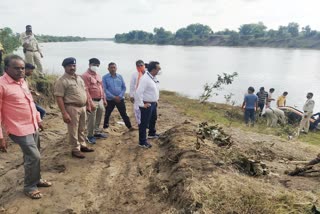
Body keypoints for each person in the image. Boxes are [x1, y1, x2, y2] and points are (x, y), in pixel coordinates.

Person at [0, 55, 52, 199]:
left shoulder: (23, 82)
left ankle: (37, 179)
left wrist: (38, 120)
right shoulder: (2, 85)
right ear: (6, 69)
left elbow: (30, 102)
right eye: (16, 68)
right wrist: (1, 136)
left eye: (22, 68)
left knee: (34, 155)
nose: (20, 71)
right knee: (34, 156)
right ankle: (29, 186)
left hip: (32, 125)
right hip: (17, 128)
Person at [54, 57, 94, 158]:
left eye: (74, 65)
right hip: (72, 108)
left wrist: (88, 104)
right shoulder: (61, 81)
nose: (72, 67)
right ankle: (75, 149)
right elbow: (59, 97)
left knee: (82, 128)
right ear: (64, 67)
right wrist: (64, 113)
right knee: (73, 129)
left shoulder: (79, 78)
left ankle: (82, 145)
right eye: (70, 66)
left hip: (82, 107)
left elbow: (85, 91)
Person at [135, 61, 161, 148]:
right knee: (144, 123)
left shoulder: (153, 77)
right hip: (147, 104)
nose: (160, 70)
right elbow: (138, 92)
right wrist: (142, 104)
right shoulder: (145, 79)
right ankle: (142, 142)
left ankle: (152, 133)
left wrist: (156, 100)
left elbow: (154, 89)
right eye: (158, 68)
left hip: (153, 103)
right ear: (153, 69)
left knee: (153, 119)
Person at [81, 58, 107, 144]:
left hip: (100, 100)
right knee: (91, 119)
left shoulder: (98, 75)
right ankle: (89, 135)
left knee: (99, 116)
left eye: (97, 65)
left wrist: (104, 99)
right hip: (91, 100)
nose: (96, 67)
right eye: (94, 65)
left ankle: (96, 132)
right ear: (89, 65)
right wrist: (90, 103)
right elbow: (86, 90)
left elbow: (101, 88)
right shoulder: (85, 76)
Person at [102, 62, 133, 130]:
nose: (113, 69)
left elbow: (124, 87)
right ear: (108, 69)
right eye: (111, 67)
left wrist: (120, 96)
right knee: (107, 114)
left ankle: (129, 127)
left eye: (114, 67)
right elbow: (104, 89)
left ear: (116, 68)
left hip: (120, 99)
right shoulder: (105, 77)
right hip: (110, 99)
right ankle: (105, 128)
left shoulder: (120, 76)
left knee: (124, 113)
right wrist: (113, 97)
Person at [130, 60, 147, 124]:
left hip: (146, 95)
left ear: (144, 65)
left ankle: (145, 123)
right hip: (136, 95)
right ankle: (139, 123)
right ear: (136, 66)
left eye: (141, 65)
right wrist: (131, 95)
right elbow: (132, 85)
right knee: (137, 109)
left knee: (146, 109)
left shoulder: (148, 74)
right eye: (138, 66)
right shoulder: (134, 74)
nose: (140, 67)